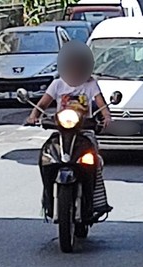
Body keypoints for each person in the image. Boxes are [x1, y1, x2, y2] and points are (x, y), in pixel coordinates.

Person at [26, 41, 113, 218]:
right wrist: (34, 115)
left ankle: (96, 200)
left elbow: (101, 103)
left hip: (84, 130)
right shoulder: (57, 84)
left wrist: (107, 116)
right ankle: (48, 197)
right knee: (46, 157)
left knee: (95, 160)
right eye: (71, 65)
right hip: (61, 131)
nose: (74, 69)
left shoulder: (90, 85)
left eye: (78, 65)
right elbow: (42, 103)